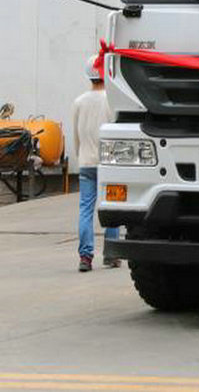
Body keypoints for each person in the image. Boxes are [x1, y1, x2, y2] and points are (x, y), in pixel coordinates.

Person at [72, 54, 119, 272]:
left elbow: (76, 136)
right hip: (109, 163)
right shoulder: (111, 100)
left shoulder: (79, 102)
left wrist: (80, 156)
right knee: (111, 207)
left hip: (86, 162)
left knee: (85, 209)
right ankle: (111, 253)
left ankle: (85, 257)